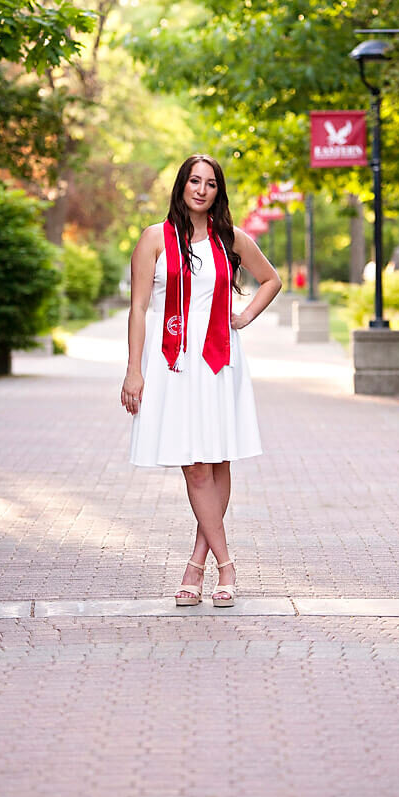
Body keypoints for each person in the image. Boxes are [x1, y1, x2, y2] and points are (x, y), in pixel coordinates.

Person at [121, 154, 281, 608]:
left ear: (218, 192)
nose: (201, 189)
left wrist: (244, 316)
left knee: (215, 459)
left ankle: (196, 566)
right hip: (172, 362)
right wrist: (134, 368)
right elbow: (137, 309)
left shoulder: (230, 239)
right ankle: (226, 565)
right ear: (182, 185)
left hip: (218, 360)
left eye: (211, 183)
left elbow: (271, 279)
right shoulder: (154, 238)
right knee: (194, 464)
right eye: (195, 180)